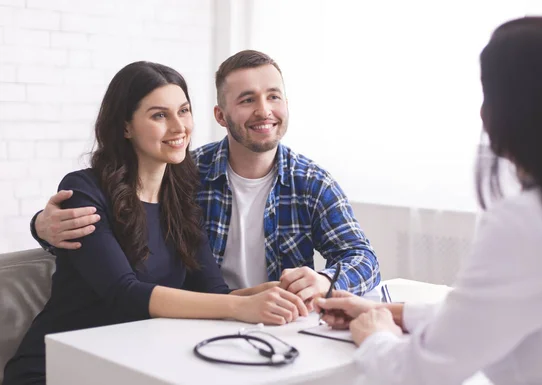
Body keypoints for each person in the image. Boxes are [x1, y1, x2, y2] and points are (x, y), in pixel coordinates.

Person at [315, 16, 542, 385]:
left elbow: (418, 373)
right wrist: (387, 312)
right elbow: (488, 315)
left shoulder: (529, 223)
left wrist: (374, 334)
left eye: (489, 94)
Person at [4, 61, 309, 385]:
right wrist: (242, 308)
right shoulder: (84, 190)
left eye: (184, 111)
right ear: (125, 126)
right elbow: (126, 294)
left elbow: (216, 292)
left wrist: (278, 291)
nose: (179, 127)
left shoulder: (182, 199)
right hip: (59, 369)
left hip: (135, 367)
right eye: (159, 115)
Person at [30, 50, 381, 302]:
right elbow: (109, 241)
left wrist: (324, 280)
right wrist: (41, 227)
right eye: (247, 99)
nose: (264, 110)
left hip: (263, 321)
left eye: (274, 96)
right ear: (221, 115)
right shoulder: (187, 174)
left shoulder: (312, 183)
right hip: (195, 323)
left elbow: (362, 257)